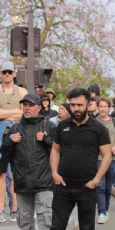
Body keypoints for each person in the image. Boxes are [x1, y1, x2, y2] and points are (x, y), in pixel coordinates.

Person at [50, 88, 112, 230]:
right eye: (72, 105)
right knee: (56, 226)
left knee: (86, 227)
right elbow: (55, 149)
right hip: (63, 186)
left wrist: (96, 180)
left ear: (88, 105)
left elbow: (107, 155)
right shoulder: (62, 126)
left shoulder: (99, 128)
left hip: (86, 187)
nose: (75, 109)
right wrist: (54, 173)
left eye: (79, 105)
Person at [1, 93, 56, 230]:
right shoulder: (14, 129)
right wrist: (9, 141)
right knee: (25, 223)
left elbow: (59, 151)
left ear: (38, 107)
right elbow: (5, 154)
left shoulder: (48, 126)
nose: (27, 108)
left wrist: (46, 139)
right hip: (22, 184)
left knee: (46, 223)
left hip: (44, 183)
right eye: (25, 105)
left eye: (31, 105)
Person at [0, 61, 27, 222]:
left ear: (15, 74)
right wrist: (15, 112)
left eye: (10, 72)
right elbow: (19, 112)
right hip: (0, 136)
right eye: (5, 72)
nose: (7, 75)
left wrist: (5, 113)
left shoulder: (22, 91)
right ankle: (1, 209)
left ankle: (15, 208)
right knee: (1, 174)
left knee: (16, 173)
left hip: (18, 135)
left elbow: (26, 112)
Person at [95, 97, 115, 224]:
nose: (102, 109)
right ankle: (101, 212)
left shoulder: (114, 121)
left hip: (112, 158)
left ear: (109, 108)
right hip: (98, 158)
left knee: (108, 187)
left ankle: (105, 210)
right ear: (97, 107)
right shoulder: (94, 121)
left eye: (105, 106)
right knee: (100, 186)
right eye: (100, 106)